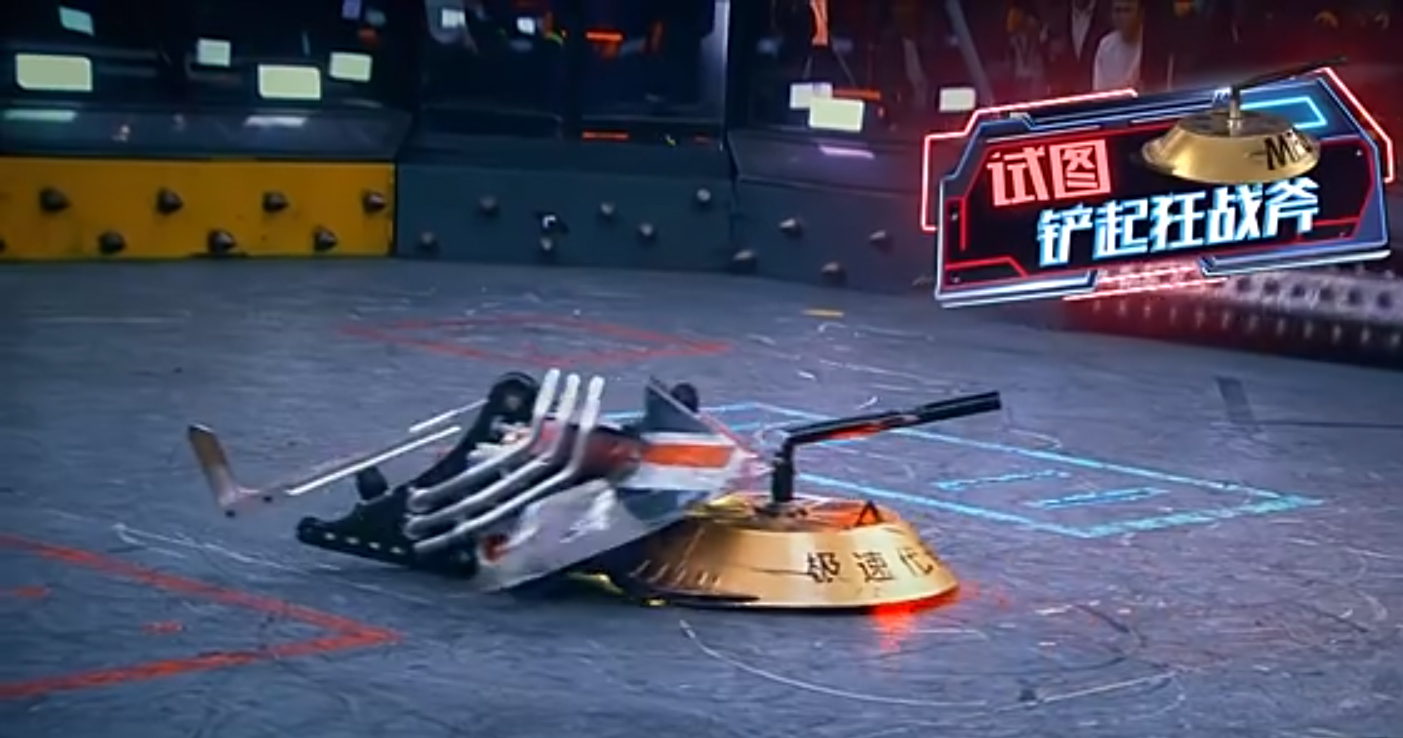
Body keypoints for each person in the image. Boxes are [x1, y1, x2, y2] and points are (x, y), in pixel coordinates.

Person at [1047, 0, 1110, 94]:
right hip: (1063, 93)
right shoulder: (1057, 16)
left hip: (1096, 92)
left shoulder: (1107, 14)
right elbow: (1047, 56)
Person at [1092, 0, 1142, 91]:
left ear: (1140, 14)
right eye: (1118, 11)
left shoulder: (1150, 45)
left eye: (1127, 10)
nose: (1122, 17)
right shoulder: (1105, 46)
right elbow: (1099, 91)